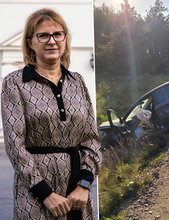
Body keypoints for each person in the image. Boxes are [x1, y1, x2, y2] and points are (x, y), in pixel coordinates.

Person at [1, 9, 102, 219]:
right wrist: (45, 193)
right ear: (30, 42)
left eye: (58, 34)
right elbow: (14, 144)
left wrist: (84, 185)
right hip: (36, 191)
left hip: (77, 190)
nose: (52, 41)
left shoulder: (77, 82)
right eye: (43, 35)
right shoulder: (15, 83)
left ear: (65, 39)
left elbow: (91, 140)